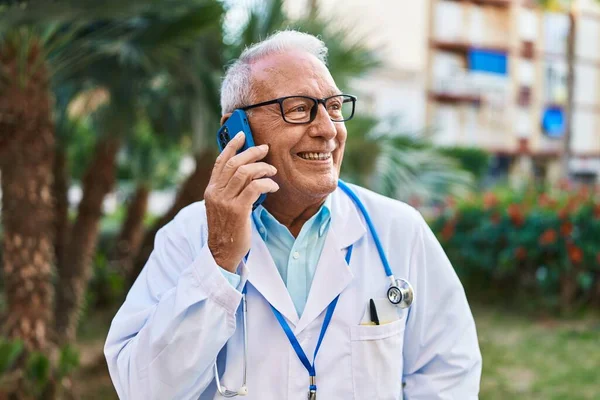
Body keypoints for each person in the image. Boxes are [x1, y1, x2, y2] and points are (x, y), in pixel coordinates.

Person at [104, 30, 482, 400]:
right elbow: (143, 389)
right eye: (299, 109)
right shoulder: (189, 235)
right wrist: (218, 261)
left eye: (334, 107)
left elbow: (449, 370)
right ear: (236, 130)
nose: (327, 130)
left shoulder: (398, 231)